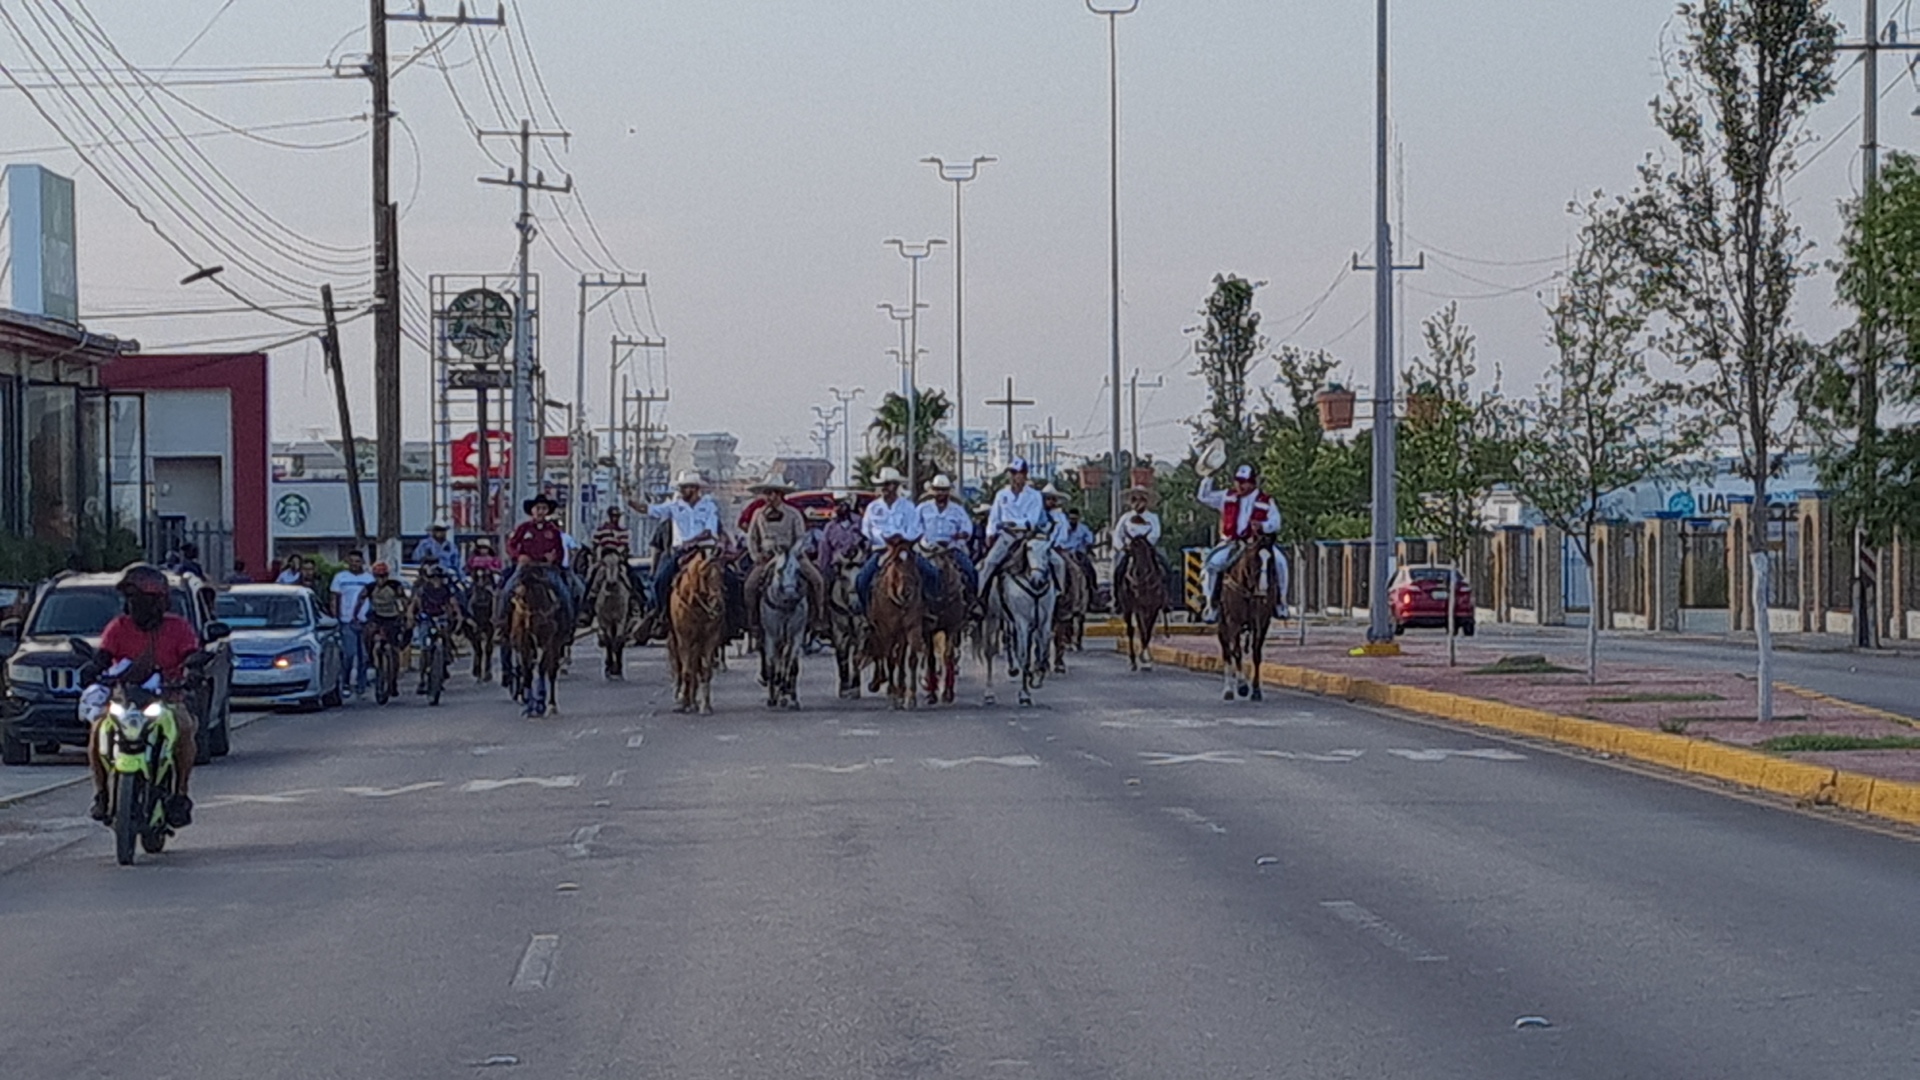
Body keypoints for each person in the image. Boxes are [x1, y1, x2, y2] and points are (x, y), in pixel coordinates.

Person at [84, 565, 202, 826]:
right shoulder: (118, 627)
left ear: (159, 602)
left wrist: (193, 671)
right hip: (125, 698)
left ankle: (180, 794)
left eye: (142, 600)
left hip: (167, 697)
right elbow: (103, 656)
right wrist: (92, 668)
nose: (135, 605)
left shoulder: (178, 627)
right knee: (97, 730)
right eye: (131, 599)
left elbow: (191, 654)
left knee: (184, 727)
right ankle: (101, 794)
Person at [1197, 464, 1282, 621]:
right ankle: (1211, 605)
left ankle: (1280, 602)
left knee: (1281, 563)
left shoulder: (1266, 500)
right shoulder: (1227, 496)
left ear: (1253, 482)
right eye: (1238, 481)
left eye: (1244, 482)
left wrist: (1263, 525)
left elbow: (1276, 522)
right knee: (1211, 566)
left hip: (1257, 544)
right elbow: (1203, 496)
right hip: (1232, 543)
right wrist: (1208, 476)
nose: (1240, 485)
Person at [743, 475, 828, 633]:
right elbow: (752, 538)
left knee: (817, 580)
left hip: (793, 556)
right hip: (768, 557)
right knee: (749, 586)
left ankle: (818, 617)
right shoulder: (758, 514)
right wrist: (756, 555)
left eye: (773, 493)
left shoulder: (793, 513)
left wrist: (792, 553)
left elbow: (801, 537)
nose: (770, 497)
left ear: (780, 494)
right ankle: (753, 621)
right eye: (767, 493)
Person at [974, 459, 1058, 611]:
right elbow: (994, 517)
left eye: (1017, 473)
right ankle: (979, 600)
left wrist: (1015, 524)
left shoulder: (1034, 495)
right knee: (989, 563)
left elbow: (1032, 520)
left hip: (1030, 536)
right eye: (1012, 473)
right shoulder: (1001, 495)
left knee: (1057, 562)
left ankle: (1059, 595)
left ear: (1024, 474)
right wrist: (990, 533)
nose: (1014, 476)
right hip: (1007, 537)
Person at [855, 467, 938, 611]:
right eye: (882, 485)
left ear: (896, 486)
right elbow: (866, 529)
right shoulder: (873, 508)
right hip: (882, 551)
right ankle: (865, 613)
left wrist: (903, 538)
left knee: (932, 574)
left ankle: (930, 609)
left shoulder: (908, 507)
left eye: (887, 484)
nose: (884, 488)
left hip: (905, 550)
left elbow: (916, 528)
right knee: (861, 580)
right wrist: (884, 538)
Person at [495, 495, 577, 631]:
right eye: (538, 508)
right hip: (525, 568)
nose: (540, 511)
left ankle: (569, 625)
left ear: (547, 511)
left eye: (543, 508)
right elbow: (511, 545)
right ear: (532, 511)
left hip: (546, 569)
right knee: (506, 590)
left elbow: (560, 551)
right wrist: (519, 556)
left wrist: (554, 559)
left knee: (564, 592)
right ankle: (500, 624)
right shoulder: (523, 528)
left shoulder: (553, 531)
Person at [646, 471, 721, 618]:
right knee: (660, 582)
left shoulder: (709, 508)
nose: (682, 491)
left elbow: (712, 531)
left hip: (705, 552)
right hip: (680, 553)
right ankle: (660, 614)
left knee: (730, 580)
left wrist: (694, 542)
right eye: (681, 488)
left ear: (695, 489)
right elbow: (656, 548)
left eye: (685, 488)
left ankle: (735, 619)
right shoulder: (665, 525)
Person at [917, 474, 977, 599]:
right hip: (928, 550)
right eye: (937, 489)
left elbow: (967, 527)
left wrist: (961, 534)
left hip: (951, 548)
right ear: (932, 490)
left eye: (944, 490)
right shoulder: (923, 508)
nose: (940, 493)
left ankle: (973, 600)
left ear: (949, 491)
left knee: (970, 570)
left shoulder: (957, 509)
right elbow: (914, 526)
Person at [410, 561, 464, 692]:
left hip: (441, 618)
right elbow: (414, 604)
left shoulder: (446, 590)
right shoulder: (422, 590)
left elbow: (453, 603)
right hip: (426, 619)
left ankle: (445, 661)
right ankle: (422, 678)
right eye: (433, 577)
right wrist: (411, 615)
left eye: (438, 578)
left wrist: (459, 616)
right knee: (425, 647)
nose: (436, 580)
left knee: (446, 639)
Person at [331, 551, 376, 699]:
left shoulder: (369, 579)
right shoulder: (340, 578)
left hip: (364, 621)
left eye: (357, 561)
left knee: (364, 656)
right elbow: (334, 599)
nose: (354, 564)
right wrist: (336, 618)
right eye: (352, 561)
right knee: (349, 654)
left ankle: (361, 685)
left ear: (362, 562)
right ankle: (345, 682)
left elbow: (374, 599)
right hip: (346, 621)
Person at [357, 562, 410, 681]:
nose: (381, 579)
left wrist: (406, 615)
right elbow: (360, 600)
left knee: (394, 647)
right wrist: (355, 615)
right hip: (377, 617)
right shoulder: (370, 587)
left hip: (393, 617)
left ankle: (394, 677)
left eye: (383, 576)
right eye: (378, 576)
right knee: (368, 633)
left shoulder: (395, 585)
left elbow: (404, 601)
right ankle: (370, 658)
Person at [1110, 485, 1169, 586]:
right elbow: (1117, 534)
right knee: (1119, 569)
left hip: (1148, 548)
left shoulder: (1153, 517)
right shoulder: (1125, 517)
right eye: (1134, 499)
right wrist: (1122, 546)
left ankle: (1168, 591)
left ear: (1146, 502)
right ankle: (1116, 592)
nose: (1138, 502)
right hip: (1129, 550)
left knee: (1165, 566)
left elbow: (1156, 533)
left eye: (1141, 499)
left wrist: (1145, 544)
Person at [815, 496, 866, 577]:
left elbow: (869, 540)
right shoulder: (830, 527)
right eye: (835, 505)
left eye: (840, 505)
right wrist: (823, 568)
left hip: (859, 563)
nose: (836, 508)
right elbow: (824, 549)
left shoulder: (860, 522)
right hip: (838, 566)